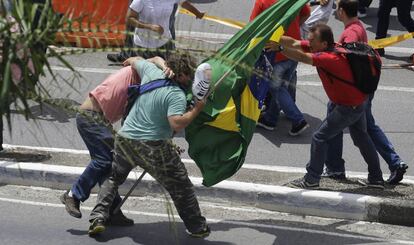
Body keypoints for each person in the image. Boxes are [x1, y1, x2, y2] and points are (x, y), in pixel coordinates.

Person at [88, 54, 211, 238]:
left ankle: (98, 217)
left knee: (114, 178)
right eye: (188, 75)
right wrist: (196, 109)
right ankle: (197, 227)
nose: (191, 79)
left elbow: (134, 59)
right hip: (153, 147)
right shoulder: (176, 94)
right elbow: (177, 123)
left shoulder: (151, 71)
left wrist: (160, 63)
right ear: (181, 74)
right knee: (181, 186)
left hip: (125, 138)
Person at [266, 23, 384, 189]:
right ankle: (376, 178)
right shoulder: (325, 48)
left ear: (324, 44)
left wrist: (279, 49)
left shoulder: (330, 58)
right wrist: (272, 38)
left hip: (348, 107)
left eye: (312, 41)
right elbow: (293, 42)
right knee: (361, 139)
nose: (309, 43)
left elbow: (302, 57)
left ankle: (312, 179)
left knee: (319, 137)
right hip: (356, 103)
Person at [60, 55, 173, 224]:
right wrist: (165, 66)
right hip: (90, 117)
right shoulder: (140, 69)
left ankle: (113, 210)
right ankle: (73, 195)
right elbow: (153, 58)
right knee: (103, 161)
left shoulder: (141, 87)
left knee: (110, 165)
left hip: (100, 121)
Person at [324, 0, 408, 185]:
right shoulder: (357, 26)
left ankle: (335, 168)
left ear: (342, 12)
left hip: (352, 90)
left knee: (334, 126)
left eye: (337, 8)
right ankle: (394, 162)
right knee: (367, 127)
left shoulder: (351, 32)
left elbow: (350, 58)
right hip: (362, 87)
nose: (336, 12)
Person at [251, 0, 311, 136]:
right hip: (293, 49)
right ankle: (270, 120)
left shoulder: (262, 2)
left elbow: (253, 26)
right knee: (286, 82)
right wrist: (294, 27)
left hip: (276, 55)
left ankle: (298, 120)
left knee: (276, 89)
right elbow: (306, 12)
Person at [106, 0, 204, 62]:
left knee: (169, 72)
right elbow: (129, 18)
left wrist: (198, 13)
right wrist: (150, 27)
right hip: (144, 46)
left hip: (165, 43)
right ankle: (126, 55)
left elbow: (184, 3)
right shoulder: (141, 1)